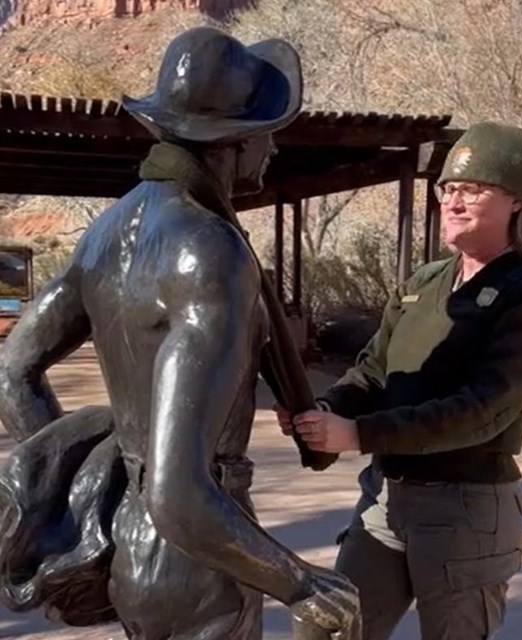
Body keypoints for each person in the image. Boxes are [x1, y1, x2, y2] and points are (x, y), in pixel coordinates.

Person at [0, 27, 358, 640]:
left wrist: (102, 482)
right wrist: (299, 581)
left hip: (133, 540)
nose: (274, 147)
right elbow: (178, 488)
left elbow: (13, 372)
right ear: (234, 141)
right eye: (268, 129)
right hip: (199, 561)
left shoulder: (107, 231)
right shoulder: (210, 251)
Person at [276, 121, 522, 639]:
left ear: (516, 202)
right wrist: (324, 410)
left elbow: (482, 410)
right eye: (448, 189)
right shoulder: (423, 283)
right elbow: (372, 371)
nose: (454, 201)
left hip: (464, 510)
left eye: (473, 189)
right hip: (387, 499)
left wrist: (360, 435)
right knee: (328, 628)